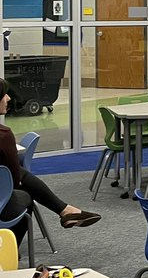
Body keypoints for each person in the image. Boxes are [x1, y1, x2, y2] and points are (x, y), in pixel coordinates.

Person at [0, 77, 100, 238]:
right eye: (4, 94)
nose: (8, 98)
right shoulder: (3, 135)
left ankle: (66, 211)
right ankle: (9, 254)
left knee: (20, 175)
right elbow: (14, 180)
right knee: (25, 194)